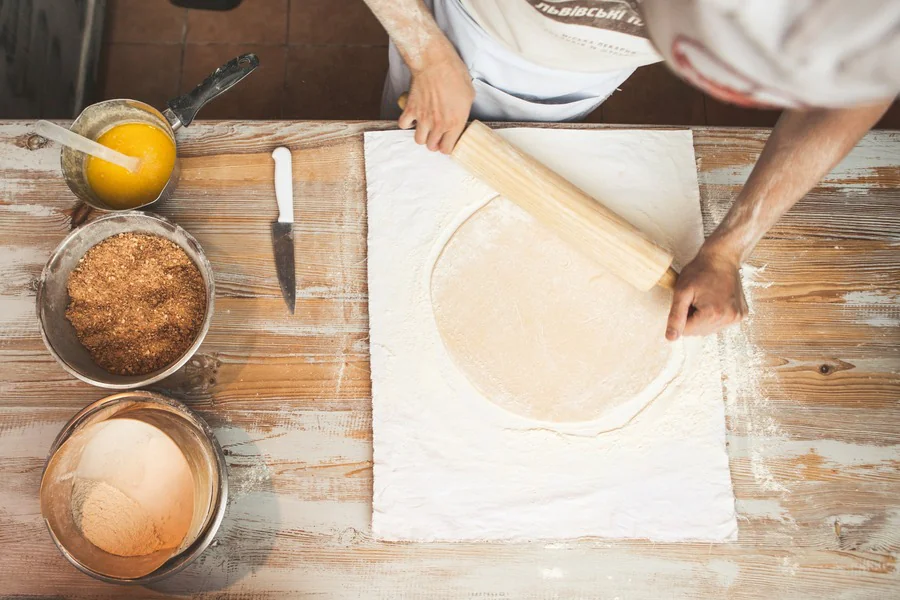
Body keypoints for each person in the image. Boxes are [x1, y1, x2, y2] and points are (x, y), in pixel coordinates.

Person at [362, 0, 899, 340]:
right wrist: (429, 53)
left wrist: (730, 246)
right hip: (481, 36)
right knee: (413, 167)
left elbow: (853, 97)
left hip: (579, 72)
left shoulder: (871, 26)